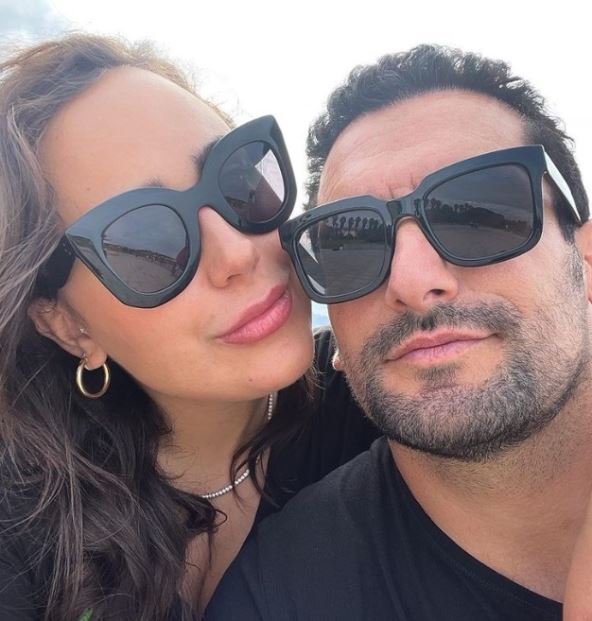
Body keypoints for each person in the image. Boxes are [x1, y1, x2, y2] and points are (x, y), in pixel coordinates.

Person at [0, 34, 379, 620]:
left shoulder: (384, 406)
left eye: (241, 183)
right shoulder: (21, 517)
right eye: (147, 241)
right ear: (68, 325)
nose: (239, 253)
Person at [206, 44, 591, 620]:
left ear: (584, 260)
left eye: (476, 212)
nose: (411, 282)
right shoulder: (278, 596)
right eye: (348, 244)